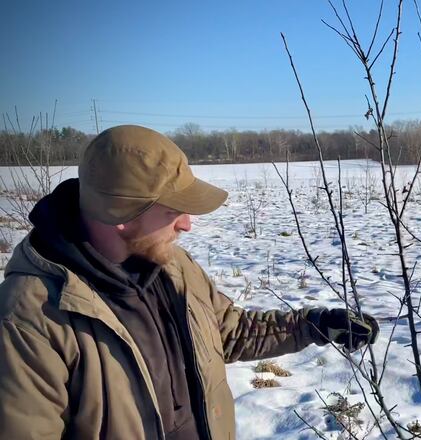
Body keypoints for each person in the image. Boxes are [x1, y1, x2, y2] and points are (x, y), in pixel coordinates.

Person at [0, 125, 379, 439]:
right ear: (122, 214)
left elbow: (229, 333)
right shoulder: (31, 319)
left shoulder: (171, 266)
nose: (186, 224)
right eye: (172, 211)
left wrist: (315, 325)